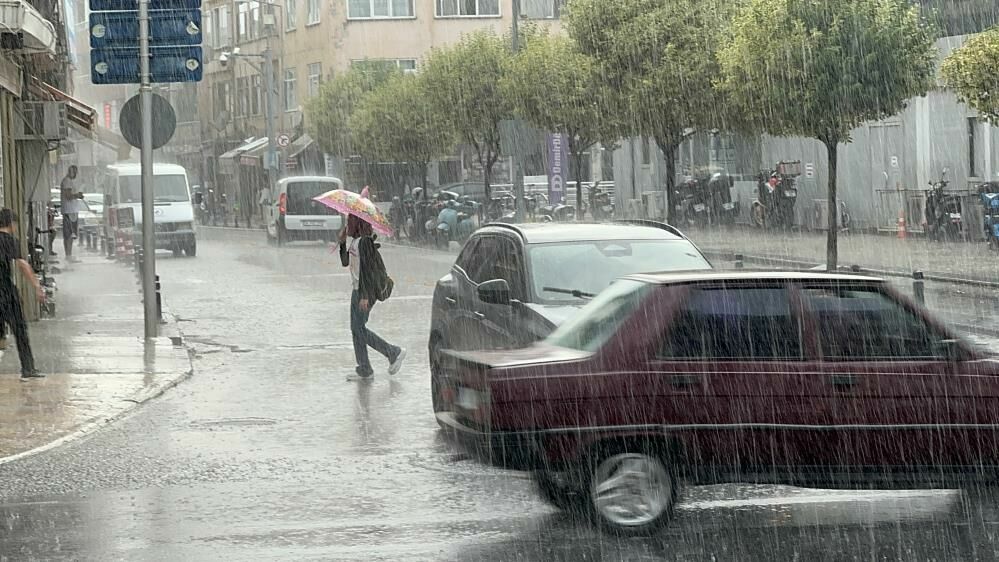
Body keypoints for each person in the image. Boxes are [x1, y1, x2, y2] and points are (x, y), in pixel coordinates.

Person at [338, 214, 405, 379]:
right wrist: (342, 242)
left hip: (364, 291)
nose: (347, 225)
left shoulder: (365, 242)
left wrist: (365, 296)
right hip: (357, 289)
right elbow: (345, 262)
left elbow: (368, 271)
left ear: (357, 223)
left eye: (349, 221)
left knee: (358, 329)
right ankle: (365, 368)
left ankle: (393, 352)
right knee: (356, 329)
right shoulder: (355, 241)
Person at [0, 209, 44, 378]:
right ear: (11, 224)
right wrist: (36, 286)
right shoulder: (10, 241)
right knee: (20, 331)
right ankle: (28, 368)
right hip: (5, 291)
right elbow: (23, 265)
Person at [60, 165, 85, 262]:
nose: (75, 174)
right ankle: (68, 255)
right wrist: (77, 195)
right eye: (73, 172)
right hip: (69, 210)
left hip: (72, 210)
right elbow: (68, 196)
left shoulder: (69, 181)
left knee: (71, 234)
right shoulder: (67, 181)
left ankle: (69, 254)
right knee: (69, 234)